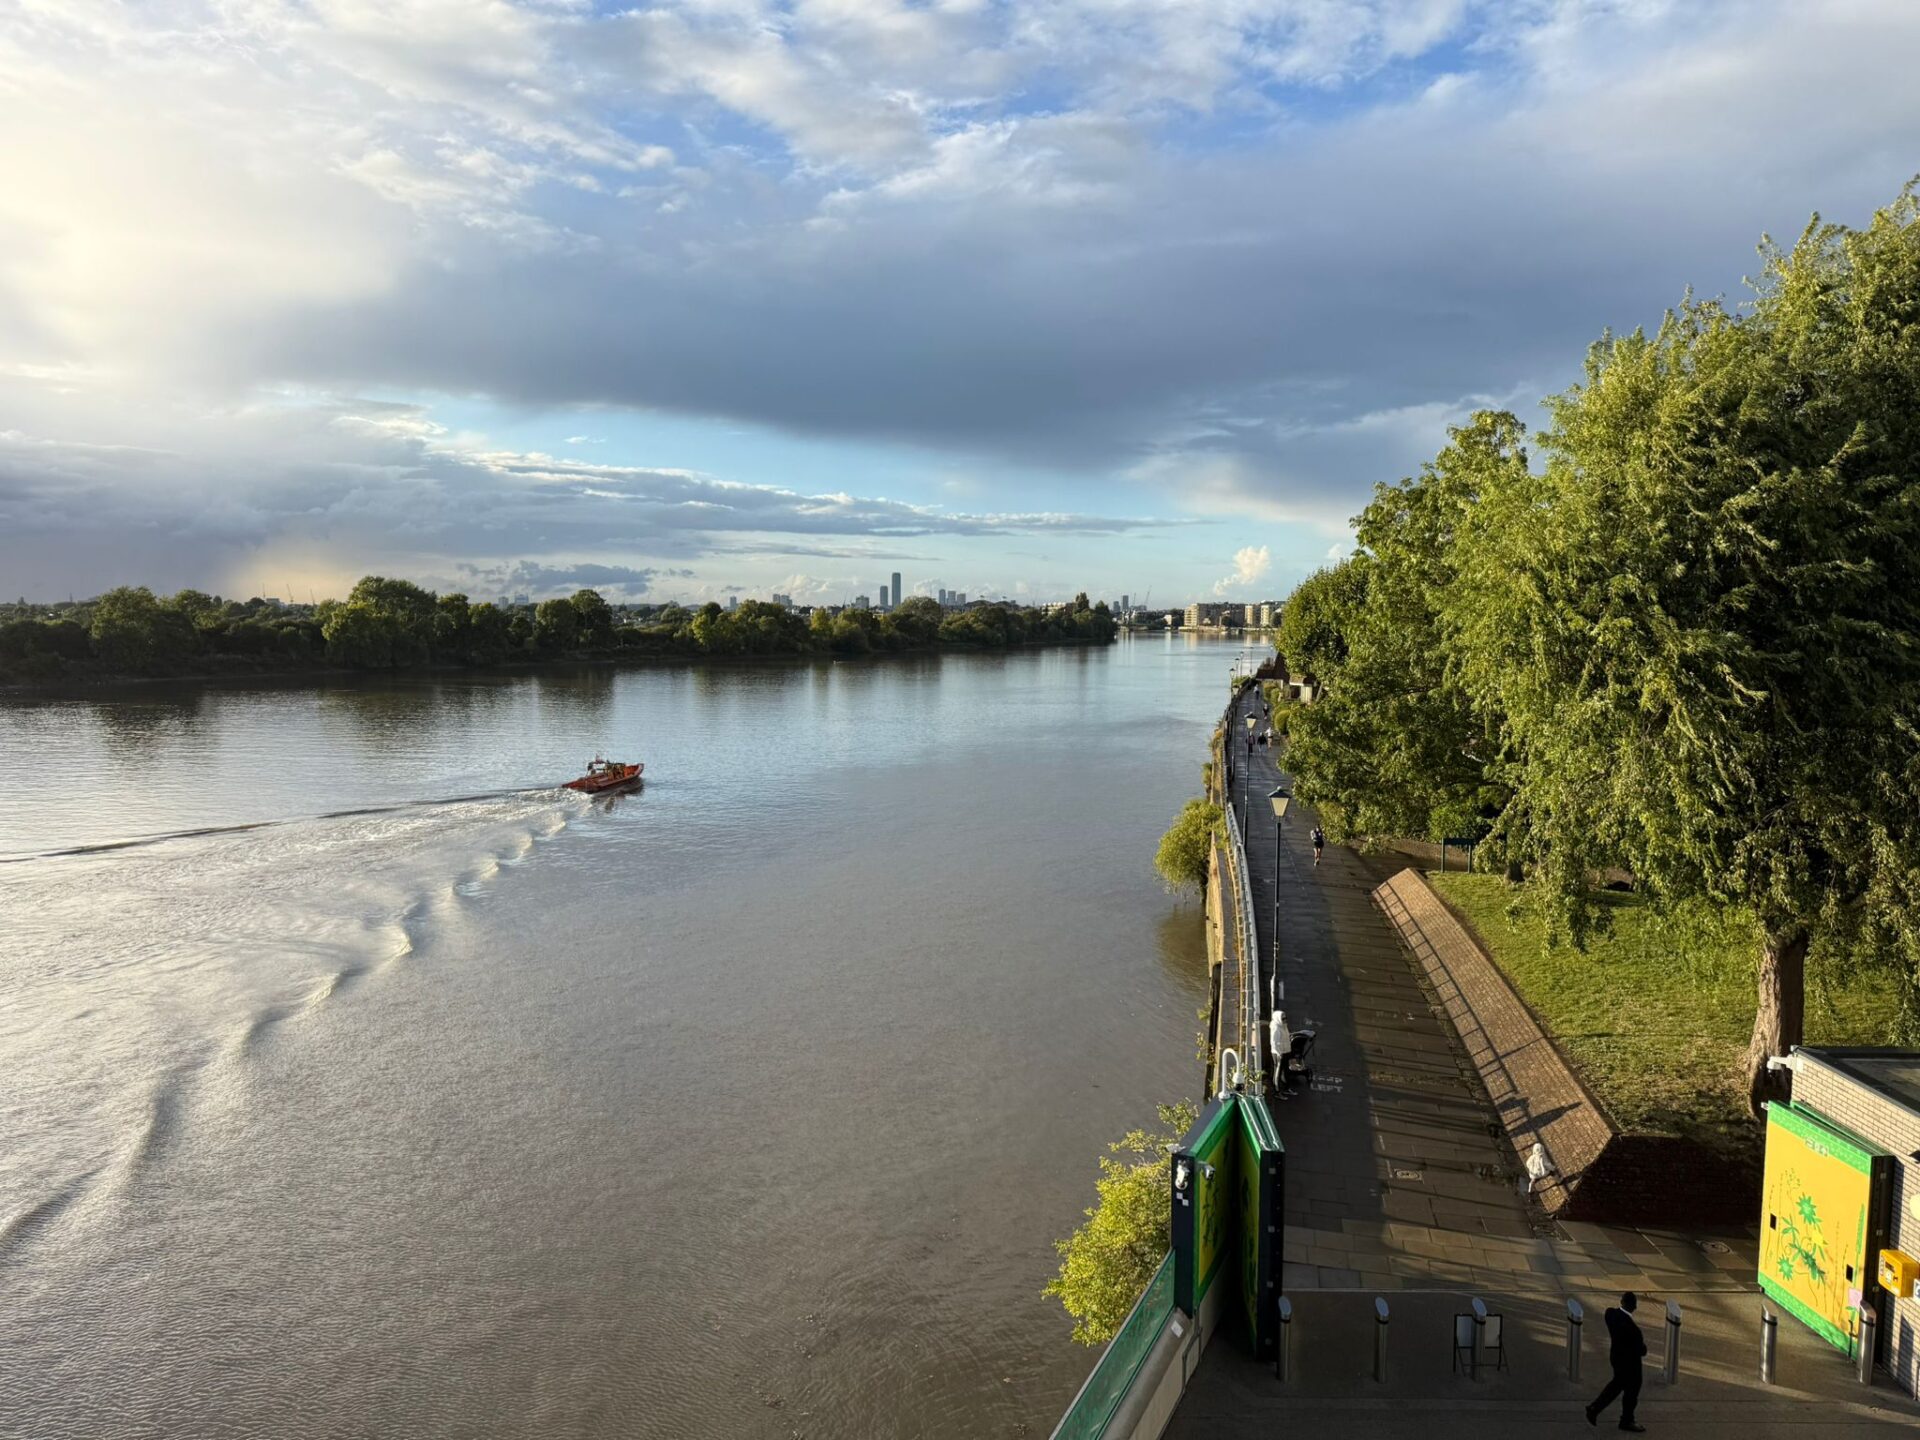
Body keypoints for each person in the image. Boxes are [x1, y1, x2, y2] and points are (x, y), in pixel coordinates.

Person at [1586, 1292, 1647, 1431]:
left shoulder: (1611, 1314)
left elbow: (1611, 1313)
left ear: (1622, 1302)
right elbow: (1642, 1350)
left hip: (1616, 1358)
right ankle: (1626, 1420)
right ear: (1634, 1307)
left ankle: (1595, 1408)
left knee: (1616, 1385)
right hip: (1631, 1365)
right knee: (1631, 1392)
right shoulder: (1634, 1330)